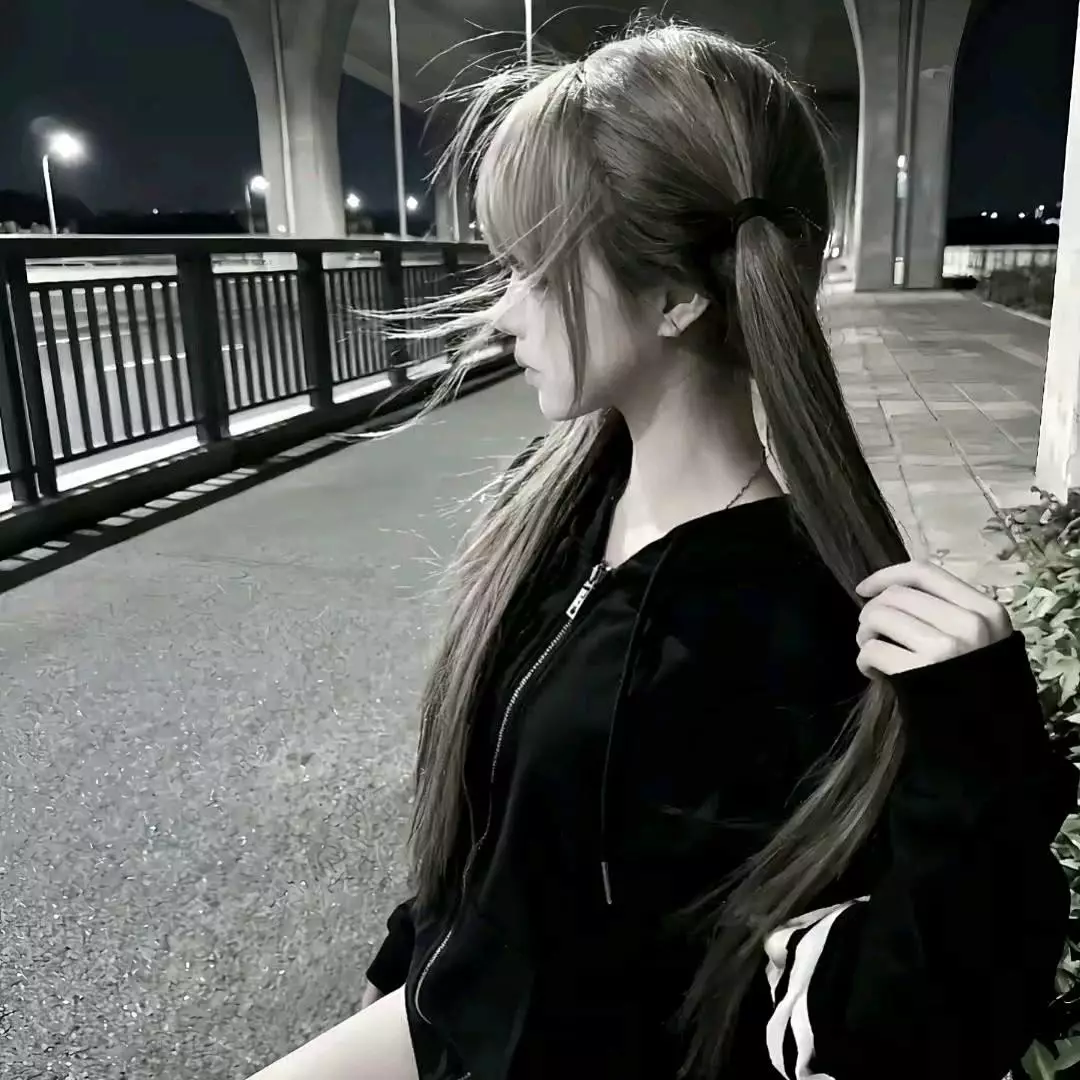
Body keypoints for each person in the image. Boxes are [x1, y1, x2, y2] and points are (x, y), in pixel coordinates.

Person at [247, 20, 1076, 1080]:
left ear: (679, 297)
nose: (504, 313)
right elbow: (507, 821)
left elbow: (890, 1027)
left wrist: (976, 762)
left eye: (536, 271)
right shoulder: (556, 500)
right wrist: (410, 952)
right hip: (449, 1010)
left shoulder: (778, 623)